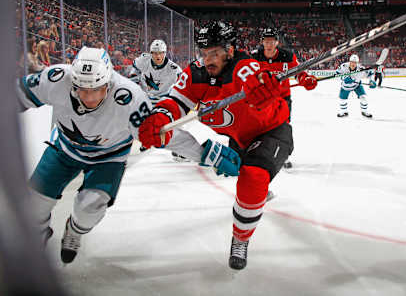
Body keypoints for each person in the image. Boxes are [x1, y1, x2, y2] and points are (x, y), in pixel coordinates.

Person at [17, 46, 239, 264]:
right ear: (72, 83)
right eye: (82, 89)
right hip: (64, 148)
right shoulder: (56, 78)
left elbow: (164, 136)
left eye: (96, 89)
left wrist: (209, 154)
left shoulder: (129, 100)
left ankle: (75, 230)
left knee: (90, 208)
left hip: (108, 157)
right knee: (35, 204)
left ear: (109, 82)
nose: (89, 98)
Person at [138, 21, 294, 270]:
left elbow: (256, 76)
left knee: (252, 177)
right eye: (203, 53)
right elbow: (174, 101)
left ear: (230, 50)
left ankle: (240, 238)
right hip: (240, 137)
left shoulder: (244, 68)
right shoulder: (196, 73)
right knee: (251, 181)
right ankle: (259, 194)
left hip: (272, 130)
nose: (207, 59)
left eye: (214, 53)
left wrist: (263, 90)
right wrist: (161, 116)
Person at [249, 27, 317, 170]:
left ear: (277, 42)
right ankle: (256, 152)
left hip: (282, 99)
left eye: (271, 41)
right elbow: (247, 76)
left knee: (283, 127)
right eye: (266, 41)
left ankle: (283, 155)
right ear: (262, 42)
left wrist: (305, 79)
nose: (268, 44)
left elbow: (299, 72)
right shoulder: (254, 57)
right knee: (259, 127)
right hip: (262, 99)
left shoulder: (287, 56)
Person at [129, 39, 198, 161]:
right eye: (155, 53)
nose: (158, 56)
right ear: (151, 53)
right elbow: (134, 70)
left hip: (164, 98)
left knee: (175, 123)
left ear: (165, 53)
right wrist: (133, 79)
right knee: (142, 120)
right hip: (147, 97)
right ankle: (145, 142)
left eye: (160, 53)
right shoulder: (144, 60)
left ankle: (180, 151)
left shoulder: (173, 68)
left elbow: (184, 83)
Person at [336, 54, 376, 118]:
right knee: (342, 100)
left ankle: (364, 111)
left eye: (355, 63)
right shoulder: (343, 66)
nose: (353, 64)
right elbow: (336, 75)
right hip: (346, 86)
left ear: (357, 63)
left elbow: (370, 74)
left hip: (357, 85)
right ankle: (344, 112)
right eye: (352, 62)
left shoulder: (361, 69)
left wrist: (372, 81)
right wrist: (344, 78)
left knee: (363, 98)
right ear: (349, 62)